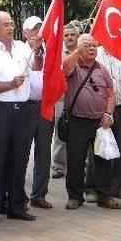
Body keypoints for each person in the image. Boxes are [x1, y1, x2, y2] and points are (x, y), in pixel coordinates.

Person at [0, 11, 41, 227]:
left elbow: (37, 67)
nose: (10, 27)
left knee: (19, 159)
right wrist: (9, 85)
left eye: (11, 23)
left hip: (22, 111)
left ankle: (16, 205)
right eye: (5, 24)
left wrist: (38, 50)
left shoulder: (23, 48)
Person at [62, 34, 118, 210]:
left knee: (103, 161)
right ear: (79, 49)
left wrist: (109, 114)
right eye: (87, 46)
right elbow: (65, 68)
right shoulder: (74, 66)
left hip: (99, 124)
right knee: (75, 162)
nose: (92, 49)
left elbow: (111, 93)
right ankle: (75, 197)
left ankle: (104, 196)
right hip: (77, 122)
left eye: (94, 46)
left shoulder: (101, 69)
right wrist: (78, 49)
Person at [21, 16, 55, 209]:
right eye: (34, 29)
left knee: (43, 153)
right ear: (26, 32)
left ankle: (39, 194)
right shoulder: (20, 51)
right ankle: (20, 195)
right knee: (22, 152)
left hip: (45, 105)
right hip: (26, 107)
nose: (38, 33)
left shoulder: (50, 50)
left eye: (40, 29)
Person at [95, 46, 121, 201]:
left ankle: (120, 187)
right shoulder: (95, 53)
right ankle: (95, 187)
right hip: (100, 109)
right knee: (98, 149)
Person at [51, 23, 79, 179]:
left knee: (80, 133)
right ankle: (58, 165)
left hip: (81, 100)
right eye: (66, 35)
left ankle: (80, 163)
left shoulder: (85, 50)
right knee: (61, 133)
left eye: (72, 35)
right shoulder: (58, 53)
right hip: (62, 99)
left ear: (77, 36)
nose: (69, 37)